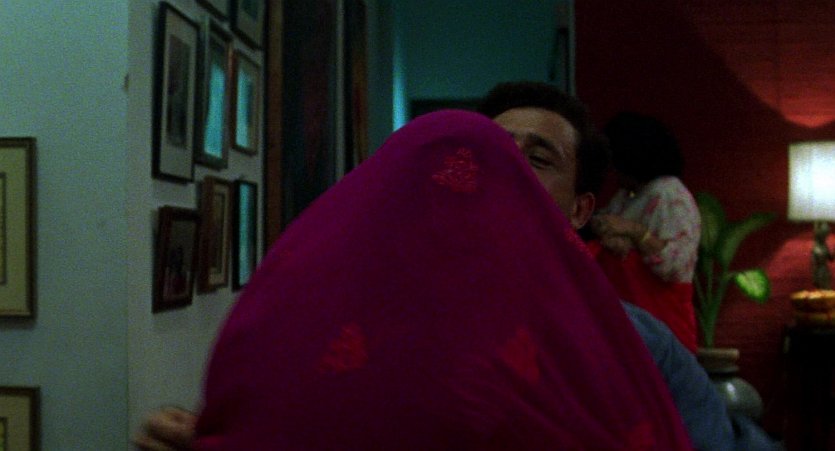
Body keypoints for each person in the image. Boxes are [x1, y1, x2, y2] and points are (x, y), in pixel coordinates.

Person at [135, 83, 777, 450]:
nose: (505, 170)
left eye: (538, 159)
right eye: (487, 153)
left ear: (582, 208)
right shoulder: (357, 316)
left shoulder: (633, 341)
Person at [588, 111, 701, 352]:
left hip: (662, 322)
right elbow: (601, 221)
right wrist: (614, 235)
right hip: (633, 322)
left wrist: (635, 232)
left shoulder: (669, 194)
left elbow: (674, 266)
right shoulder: (628, 194)